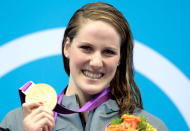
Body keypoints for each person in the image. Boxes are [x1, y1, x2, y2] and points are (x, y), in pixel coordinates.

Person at [0, 2, 168, 131]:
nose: (96, 62)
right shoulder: (16, 122)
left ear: (120, 58)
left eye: (108, 52)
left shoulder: (148, 125)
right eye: (86, 48)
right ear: (67, 47)